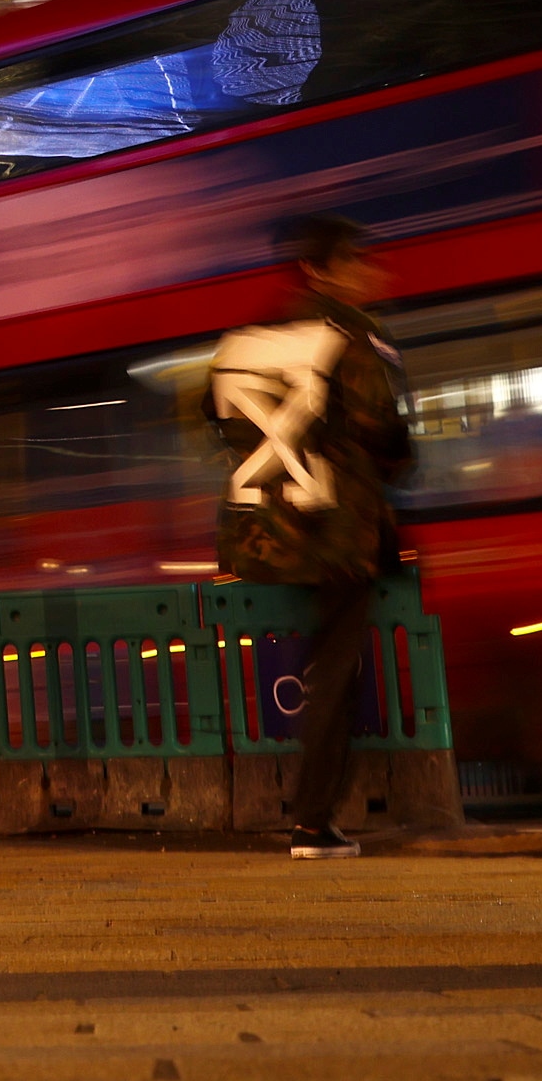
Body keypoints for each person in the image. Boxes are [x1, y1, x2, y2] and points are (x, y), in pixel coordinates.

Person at [208, 212, 410, 856]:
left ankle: (312, 816)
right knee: (334, 673)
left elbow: (214, 419)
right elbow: (384, 430)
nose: (368, 272)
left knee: (314, 665)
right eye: (355, 260)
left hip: (264, 533)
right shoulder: (350, 335)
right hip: (336, 531)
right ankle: (312, 822)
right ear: (319, 269)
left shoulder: (246, 340)